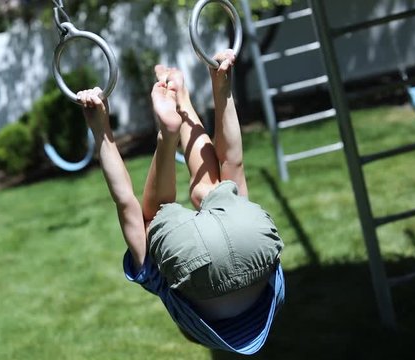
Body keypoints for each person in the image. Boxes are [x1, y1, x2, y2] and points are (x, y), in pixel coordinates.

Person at [77, 50, 285, 355]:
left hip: (258, 251)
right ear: (186, 320)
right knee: (150, 221)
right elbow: (125, 204)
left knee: (221, 186)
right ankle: (168, 135)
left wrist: (222, 87)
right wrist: (100, 128)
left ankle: (202, 92)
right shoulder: (168, 290)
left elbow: (234, 164)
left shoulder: (263, 298)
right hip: (206, 266)